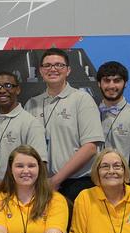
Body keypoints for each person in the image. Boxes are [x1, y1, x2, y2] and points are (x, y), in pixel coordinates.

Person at [25, 48, 103, 201]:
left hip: (76, 184)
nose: (53, 69)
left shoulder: (82, 100)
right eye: (47, 65)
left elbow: (90, 147)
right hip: (40, 185)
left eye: (59, 65)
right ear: (40, 71)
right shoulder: (32, 104)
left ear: (68, 70)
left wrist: (56, 180)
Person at [0, 70, 47, 195]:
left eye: (8, 85)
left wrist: (0, 185)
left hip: (22, 196)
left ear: (18, 89)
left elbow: (40, 168)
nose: (2, 90)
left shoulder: (31, 124)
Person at [95, 61, 130, 161]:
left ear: (125, 83)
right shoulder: (89, 113)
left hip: (126, 175)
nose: (111, 86)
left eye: (117, 81)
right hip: (92, 175)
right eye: (107, 81)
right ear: (99, 83)